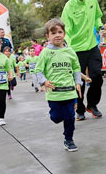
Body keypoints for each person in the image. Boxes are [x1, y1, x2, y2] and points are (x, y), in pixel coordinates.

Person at [36, 19, 82, 152]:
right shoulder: (45, 52)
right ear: (47, 36)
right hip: (54, 93)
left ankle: (69, 139)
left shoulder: (70, 51)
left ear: (64, 33)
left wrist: (78, 82)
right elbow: (38, 70)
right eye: (53, 33)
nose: (57, 35)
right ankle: (58, 117)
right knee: (56, 118)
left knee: (70, 117)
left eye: (60, 32)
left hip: (69, 91)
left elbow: (76, 68)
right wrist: (44, 81)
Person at [61, 0, 104, 121]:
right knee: (78, 81)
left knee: (97, 76)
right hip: (75, 49)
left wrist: (100, 27)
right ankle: (79, 109)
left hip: (92, 46)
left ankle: (92, 105)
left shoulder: (93, 0)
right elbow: (65, 28)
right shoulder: (69, 6)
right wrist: (66, 47)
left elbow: (98, 17)